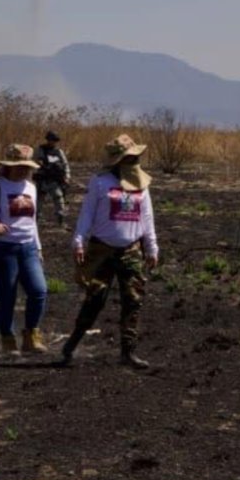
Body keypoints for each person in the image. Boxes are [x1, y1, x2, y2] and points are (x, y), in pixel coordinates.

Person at [62, 134, 159, 369]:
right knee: (95, 299)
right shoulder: (100, 182)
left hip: (131, 250)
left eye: (136, 157)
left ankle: (128, 351)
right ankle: (70, 346)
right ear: (118, 161)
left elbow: (147, 217)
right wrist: (78, 241)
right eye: (130, 157)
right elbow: (87, 213)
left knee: (133, 300)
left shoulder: (141, 185)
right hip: (101, 249)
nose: (134, 161)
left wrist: (152, 246)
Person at [0, 144, 48, 356]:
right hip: (4, 249)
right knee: (8, 296)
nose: (24, 170)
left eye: (27, 167)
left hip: (28, 247)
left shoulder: (31, 187)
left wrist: (38, 247)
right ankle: (8, 339)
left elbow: (32, 221)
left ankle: (31, 335)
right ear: (9, 166)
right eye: (19, 166)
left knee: (39, 291)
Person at [34, 130, 71, 226]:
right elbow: (36, 161)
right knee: (39, 201)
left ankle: (61, 221)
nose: (53, 142)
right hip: (43, 179)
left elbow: (65, 164)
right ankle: (36, 220)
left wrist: (66, 177)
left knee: (59, 199)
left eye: (55, 140)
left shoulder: (59, 151)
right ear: (48, 140)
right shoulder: (40, 149)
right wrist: (42, 166)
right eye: (51, 140)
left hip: (54, 181)